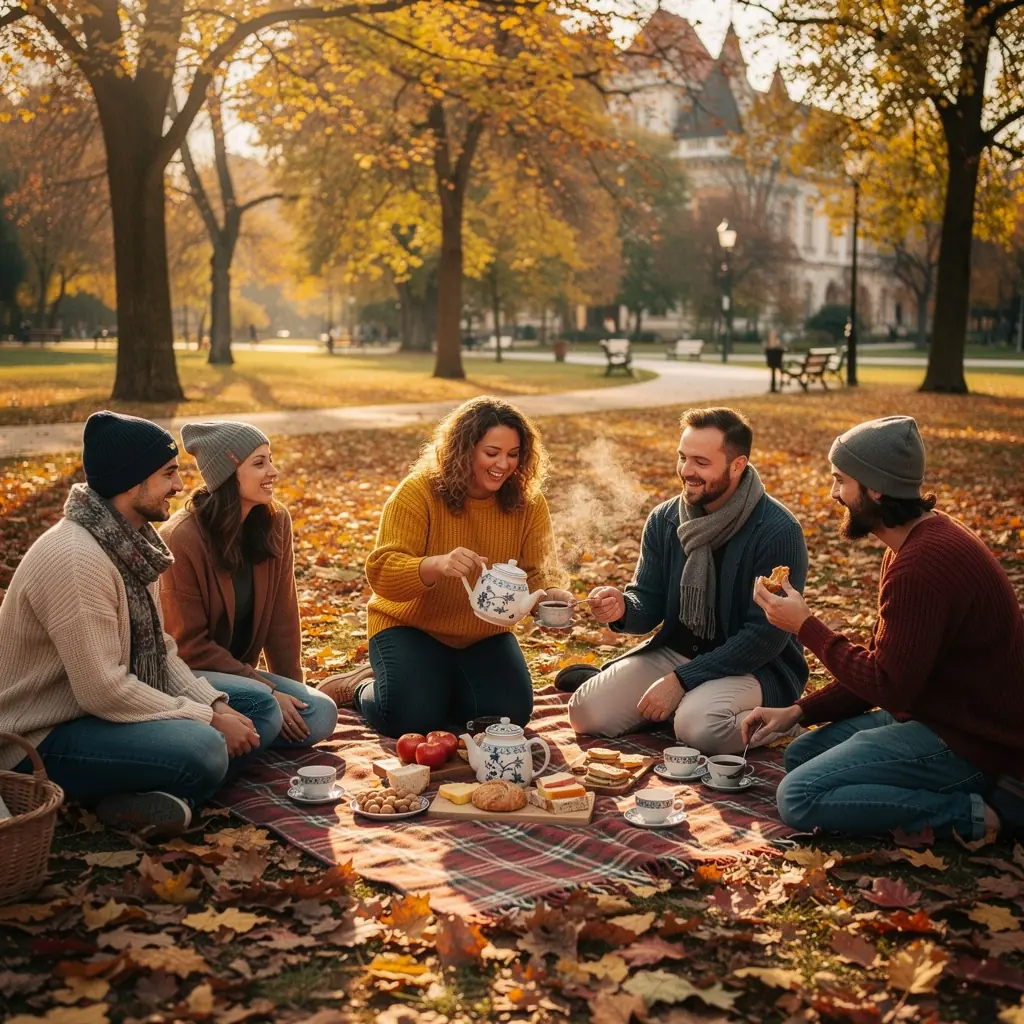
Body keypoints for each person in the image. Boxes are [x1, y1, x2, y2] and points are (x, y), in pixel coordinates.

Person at [0, 412, 283, 836]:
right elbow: (103, 690)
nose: (181, 485)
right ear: (133, 482)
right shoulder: (77, 558)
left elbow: (162, 653)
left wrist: (214, 704)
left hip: (94, 711)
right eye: (168, 473)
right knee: (206, 748)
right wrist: (204, 719)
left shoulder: (132, 543)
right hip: (39, 736)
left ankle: (145, 799)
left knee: (257, 707)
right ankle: (155, 788)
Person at [743, 415, 1024, 840]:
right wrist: (799, 712)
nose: (833, 493)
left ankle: (978, 815)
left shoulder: (923, 565)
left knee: (798, 797)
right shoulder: (914, 541)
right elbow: (887, 665)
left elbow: (889, 686)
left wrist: (806, 626)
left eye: (841, 480)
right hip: (930, 712)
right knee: (801, 754)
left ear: (875, 488)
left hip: (970, 741)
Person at [566, 407, 809, 755]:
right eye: (682, 458)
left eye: (700, 462)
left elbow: (765, 638)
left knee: (698, 728)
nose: (686, 471)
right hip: (677, 653)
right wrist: (623, 608)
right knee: (586, 713)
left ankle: (781, 721)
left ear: (737, 465)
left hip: (754, 666)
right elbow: (647, 601)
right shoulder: (665, 519)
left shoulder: (777, 532)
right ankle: (682, 704)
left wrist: (682, 682)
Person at [340, 397, 571, 737]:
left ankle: (435, 686)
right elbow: (382, 572)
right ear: (464, 450)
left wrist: (551, 596)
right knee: (409, 719)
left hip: (484, 633)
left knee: (507, 718)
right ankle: (361, 687)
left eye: (513, 454)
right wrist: (436, 565)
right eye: (491, 453)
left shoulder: (528, 503)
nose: (503, 464)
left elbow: (538, 572)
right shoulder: (418, 491)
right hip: (410, 626)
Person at [160, 422, 338, 748]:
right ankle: (209, 741)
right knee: (267, 712)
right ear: (227, 474)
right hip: (195, 677)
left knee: (321, 713)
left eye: (270, 459)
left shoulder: (274, 521)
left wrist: (289, 688)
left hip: (245, 679)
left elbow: (282, 618)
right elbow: (188, 648)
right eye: (259, 463)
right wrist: (269, 691)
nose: (273, 471)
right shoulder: (181, 538)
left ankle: (246, 734)